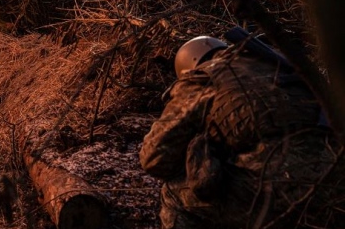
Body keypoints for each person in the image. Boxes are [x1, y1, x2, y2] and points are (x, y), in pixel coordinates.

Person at [140, 34, 345, 228]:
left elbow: (154, 158)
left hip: (282, 190)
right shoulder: (279, 65)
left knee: (175, 193)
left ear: (188, 66)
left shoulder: (204, 78)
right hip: (335, 188)